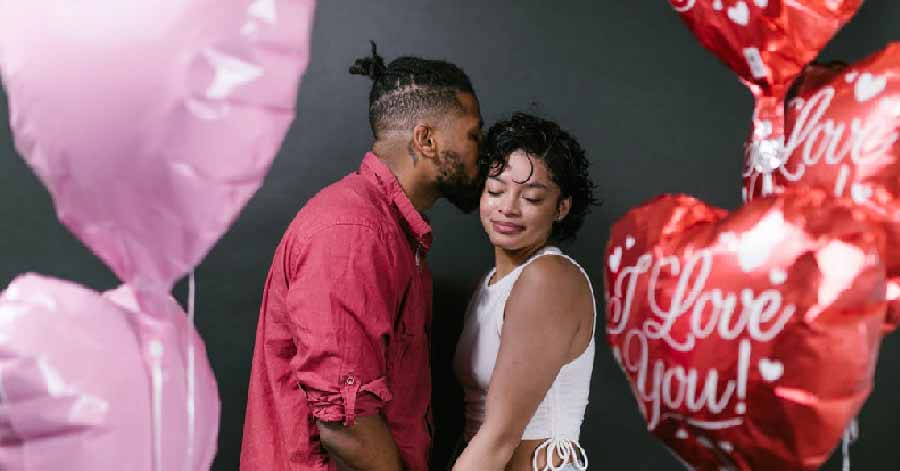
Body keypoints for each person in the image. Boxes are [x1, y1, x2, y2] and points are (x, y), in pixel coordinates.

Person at [241, 42, 484, 471]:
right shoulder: (354, 234)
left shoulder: (391, 234)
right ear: (426, 140)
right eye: (472, 135)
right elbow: (345, 426)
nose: (480, 154)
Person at [452, 113, 599, 471]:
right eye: (496, 190)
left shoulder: (548, 278)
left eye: (532, 197)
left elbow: (499, 437)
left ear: (561, 208)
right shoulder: (490, 285)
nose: (508, 207)